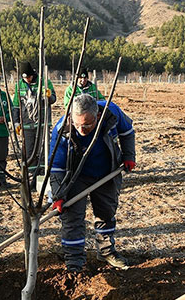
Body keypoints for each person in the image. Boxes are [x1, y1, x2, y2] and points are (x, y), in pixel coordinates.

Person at [49, 94, 135, 272]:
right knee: (72, 218)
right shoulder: (62, 130)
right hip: (75, 176)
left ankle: (105, 252)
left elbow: (127, 132)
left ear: (97, 116)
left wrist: (129, 156)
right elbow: (56, 166)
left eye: (87, 125)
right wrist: (58, 195)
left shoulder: (111, 113)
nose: (81, 129)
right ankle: (74, 262)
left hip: (106, 172)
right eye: (77, 124)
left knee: (106, 212)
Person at [13, 61, 56, 189]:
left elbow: (53, 99)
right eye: (25, 78)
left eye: (29, 77)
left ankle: (43, 177)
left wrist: (49, 97)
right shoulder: (19, 85)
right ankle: (32, 179)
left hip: (42, 124)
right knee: (29, 152)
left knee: (43, 150)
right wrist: (16, 122)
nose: (27, 80)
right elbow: (16, 105)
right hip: (27, 125)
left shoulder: (44, 82)